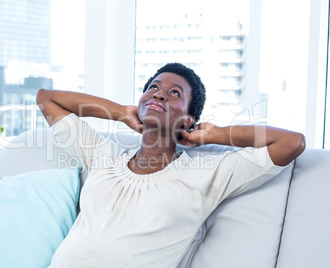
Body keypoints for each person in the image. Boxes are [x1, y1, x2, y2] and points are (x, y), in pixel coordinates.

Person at [36, 63, 305, 267]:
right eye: (153, 88)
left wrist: (214, 134)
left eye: (174, 93)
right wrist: (120, 112)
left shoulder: (205, 175)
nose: (160, 95)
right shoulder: (103, 156)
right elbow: (47, 99)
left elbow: (291, 143)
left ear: (188, 119)